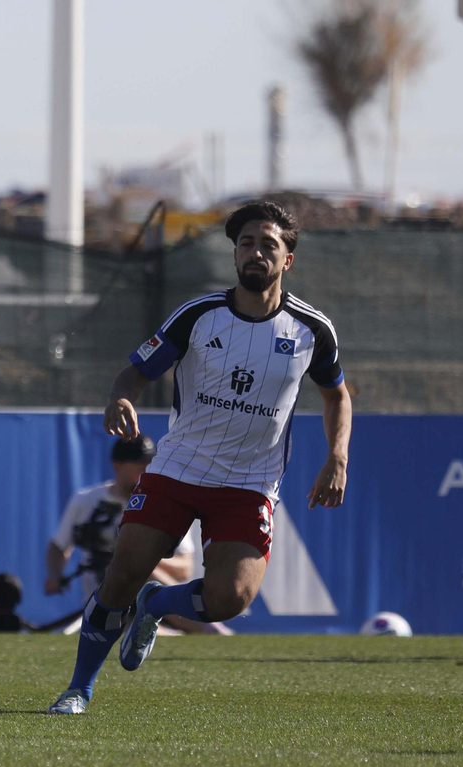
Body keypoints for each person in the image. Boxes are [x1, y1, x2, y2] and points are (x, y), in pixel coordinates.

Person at [47, 200, 351, 715]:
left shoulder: (311, 329)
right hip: (179, 468)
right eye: (246, 243)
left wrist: (337, 457)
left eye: (268, 244)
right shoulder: (198, 316)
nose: (256, 252)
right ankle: (78, 689)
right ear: (234, 254)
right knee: (122, 574)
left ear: (288, 259)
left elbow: (336, 395)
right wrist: (120, 397)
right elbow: (135, 372)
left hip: (250, 482)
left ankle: (157, 603)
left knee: (231, 599)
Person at [43, 435, 225, 639]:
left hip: (157, 605)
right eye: (140, 466)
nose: (146, 471)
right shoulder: (86, 500)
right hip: (106, 603)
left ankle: (210, 630)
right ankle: (208, 631)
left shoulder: (164, 505)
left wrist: (138, 558)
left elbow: (184, 568)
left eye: (150, 465)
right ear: (118, 466)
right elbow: (58, 546)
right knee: (139, 633)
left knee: (137, 567)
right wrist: (54, 575)